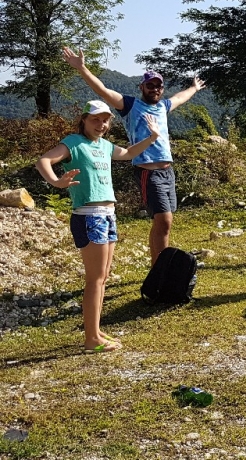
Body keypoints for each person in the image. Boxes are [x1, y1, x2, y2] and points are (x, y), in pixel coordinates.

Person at [62, 46, 205, 266]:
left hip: (168, 172)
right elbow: (102, 91)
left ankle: (159, 268)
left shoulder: (164, 106)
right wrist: (82, 69)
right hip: (149, 172)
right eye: (150, 85)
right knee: (163, 220)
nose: (155, 89)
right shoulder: (130, 106)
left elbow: (180, 97)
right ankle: (160, 270)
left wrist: (194, 88)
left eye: (158, 86)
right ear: (142, 87)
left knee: (165, 222)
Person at [36, 100, 161, 352]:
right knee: (95, 279)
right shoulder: (73, 142)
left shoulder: (104, 145)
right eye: (95, 119)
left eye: (105, 120)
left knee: (102, 278)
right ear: (83, 120)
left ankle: (95, 330)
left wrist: (152, 138)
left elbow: (126, 154)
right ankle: (91, 338)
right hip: (88, 214)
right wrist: (57, 182)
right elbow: (44, 161)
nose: (101, 124)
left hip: (108, 214)